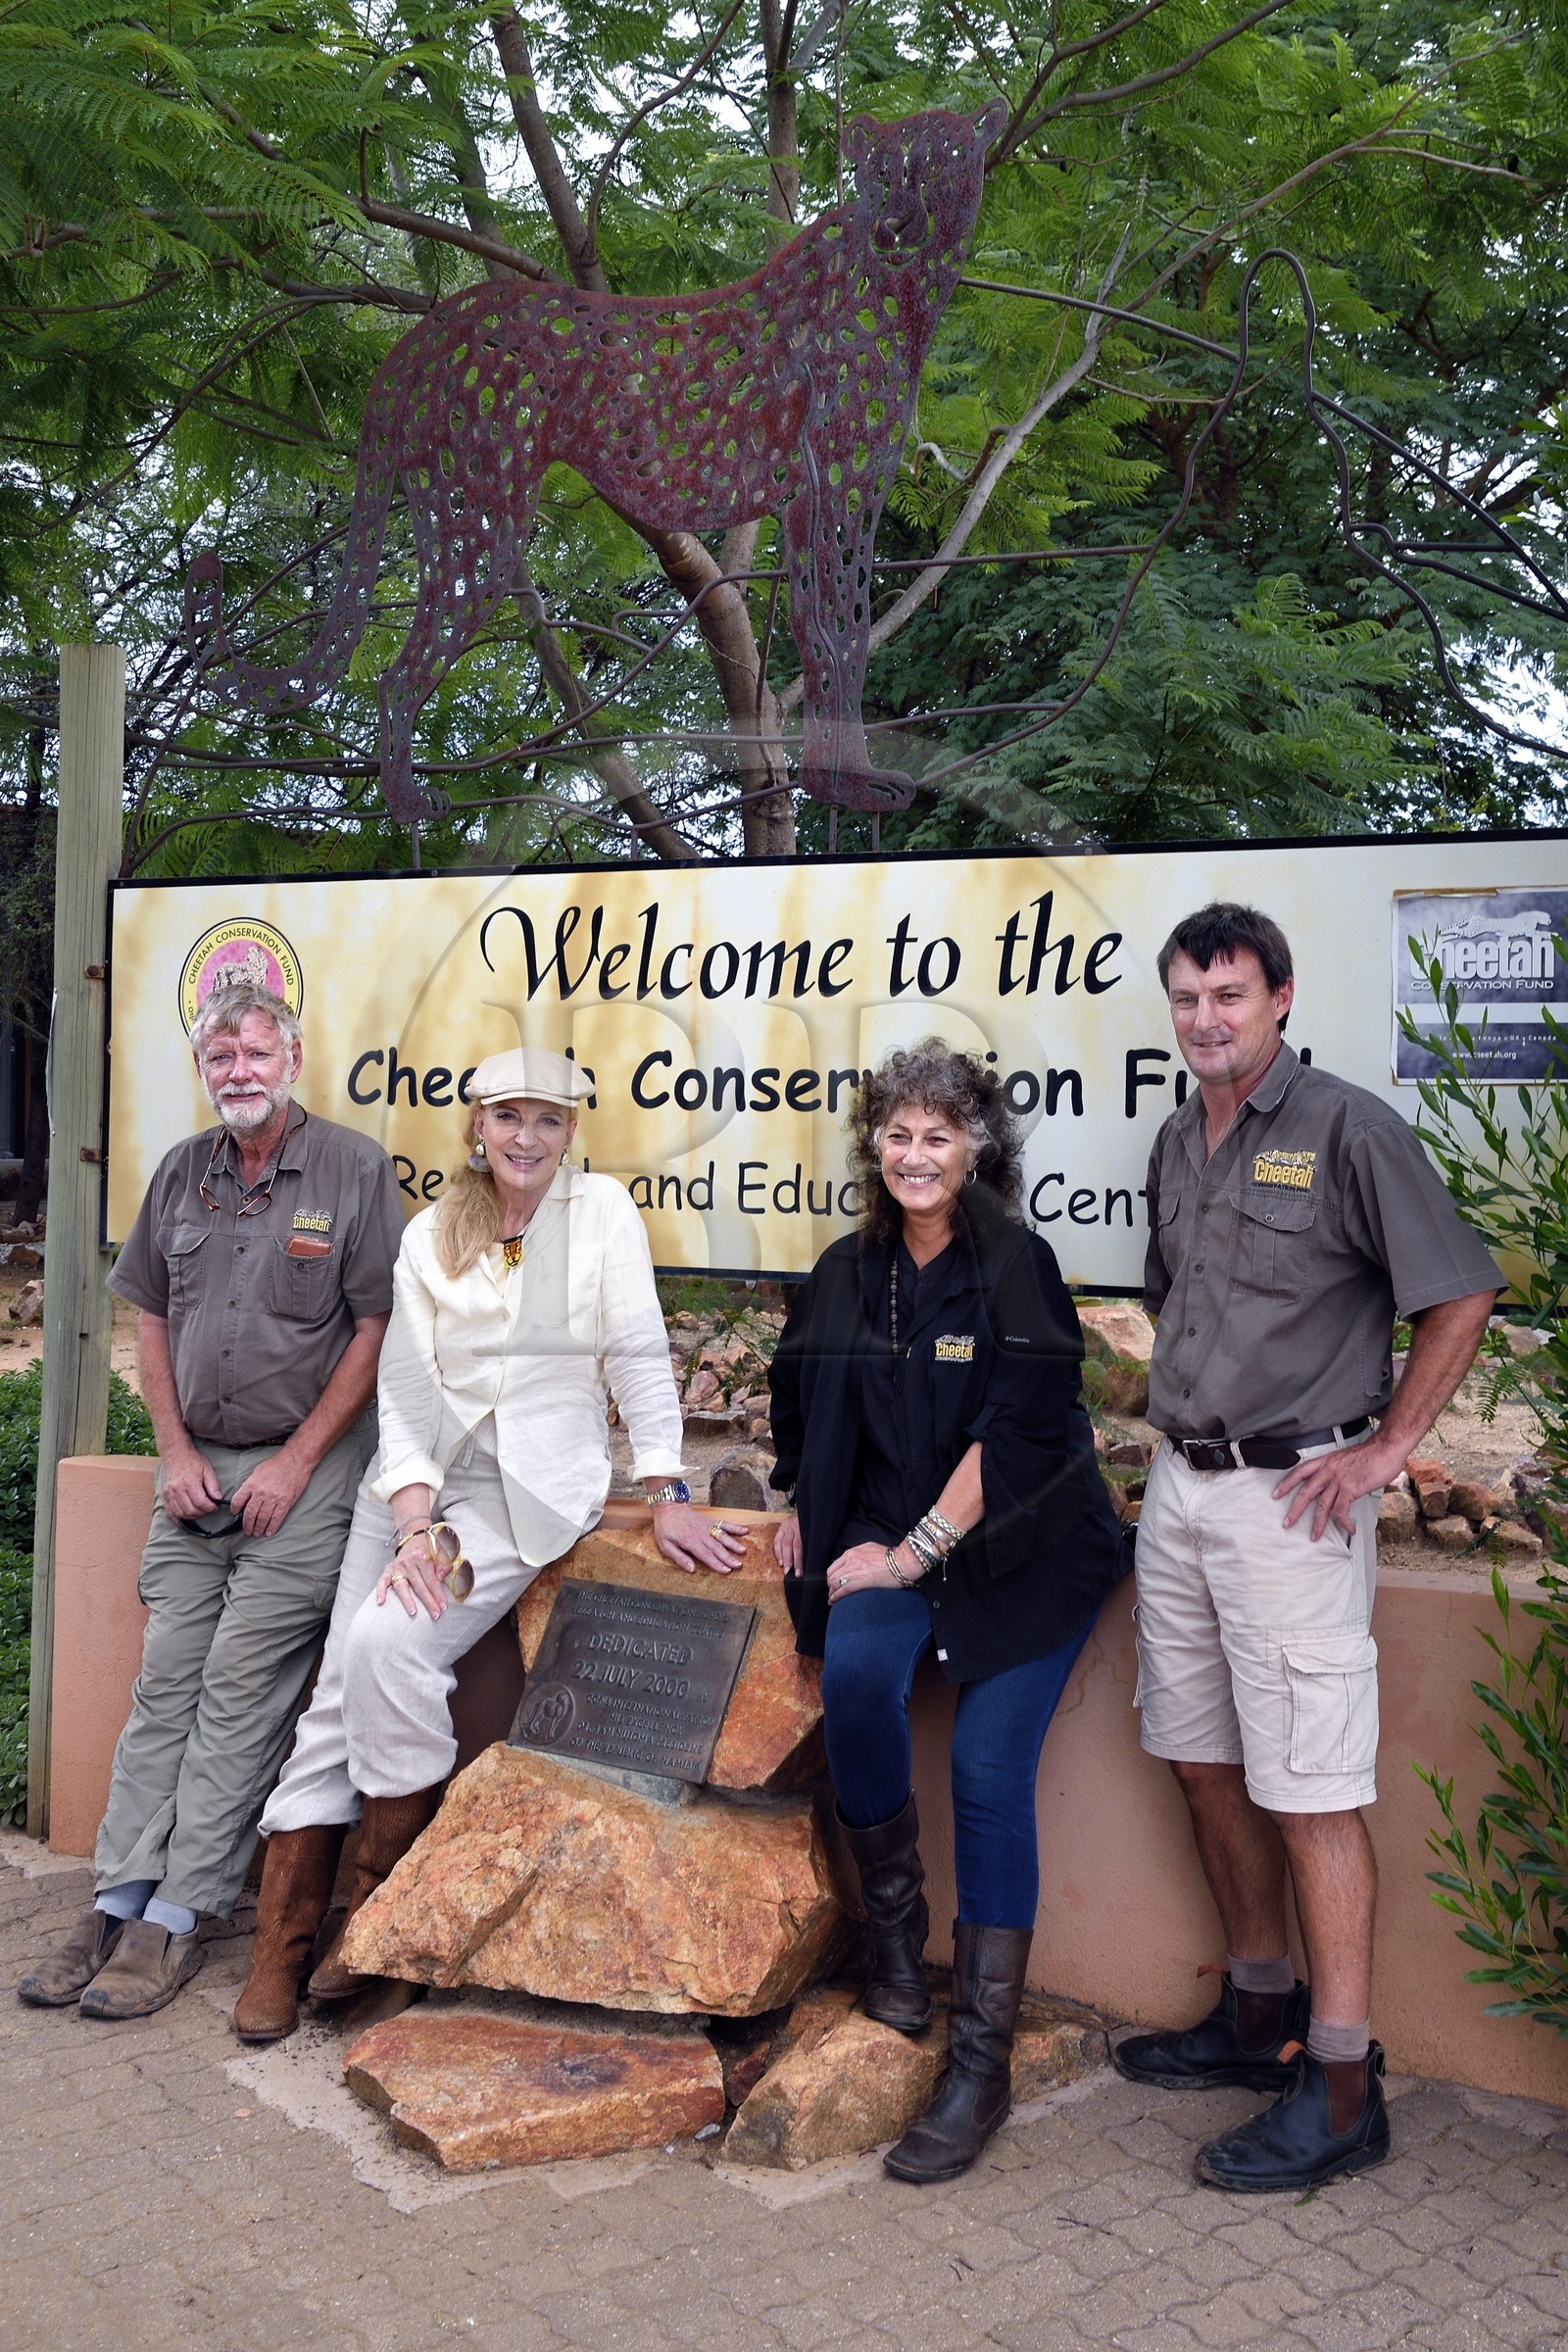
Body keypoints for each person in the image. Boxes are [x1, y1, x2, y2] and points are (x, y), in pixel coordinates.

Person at [231, 1046, 746, 2042]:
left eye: (548, 1120)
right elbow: (404, 1390)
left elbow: (639, 1352)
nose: (527, 1137)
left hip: (525, 1496)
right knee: (337, 1689)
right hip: (417, 1488)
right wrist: (414, 1521)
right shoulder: (432, 1232)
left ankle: (382, 1924)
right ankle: (281, 1949)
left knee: (387, 1644)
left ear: (571, 1132)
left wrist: (666, 1487)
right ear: (477, 1123)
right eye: (509, 1115)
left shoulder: (602, 1215)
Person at [1113, 903, 1501, 2193]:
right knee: (1200, 1760)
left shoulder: (1347, 1129)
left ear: (1279, 998)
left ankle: (1339, 2086)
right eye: (1187, 997)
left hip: (1295, 1503)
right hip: (1184, 1490)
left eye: (1228, 994)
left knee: (1310, 1790)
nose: (1206, 1018)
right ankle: (1255, 2012)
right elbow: (1179, 1304)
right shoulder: (1177, 1138)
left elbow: (1461, 1291)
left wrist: (1387, 1449)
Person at [768, 1040, 1125, 2184]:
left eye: (939, 1135)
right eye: (898, 1134)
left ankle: (980, 2063)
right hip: (886, 1541)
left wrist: (911, 1553)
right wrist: (803, 1509)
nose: (916, 1155)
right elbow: (795, 1395)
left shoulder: (1019, 1265)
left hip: (1021, 1554)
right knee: (856, 1684)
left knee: (982, 1766)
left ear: (977, 1151)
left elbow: (1017, 1435)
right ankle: (894, 1957)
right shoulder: (844, 1271)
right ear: (873, 1147)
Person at [19, 984, 404, 2020]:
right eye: (220, 1057)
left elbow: (376, 1330)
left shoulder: (352, 1169)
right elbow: (149, 1319)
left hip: (303, 1476)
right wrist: (173, 1451)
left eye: (256, 1053)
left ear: (293, 1059)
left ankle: (179, 1916)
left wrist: (294, 1464)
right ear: (203, 1069)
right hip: (194, 1476)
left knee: (238, 1698)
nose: (239, 1072)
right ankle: (114, 1902)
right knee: (164, 1689)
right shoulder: (182, 1171)